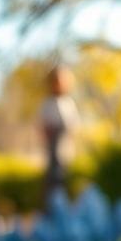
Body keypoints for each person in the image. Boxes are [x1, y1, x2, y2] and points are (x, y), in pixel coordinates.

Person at [39, 65, 79, 198]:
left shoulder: (68, 103)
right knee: (53, 183)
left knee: (65, 182)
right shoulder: (48, 104)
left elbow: (74, 127)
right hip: (52, 153)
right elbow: (43, 127)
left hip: (66, 152)